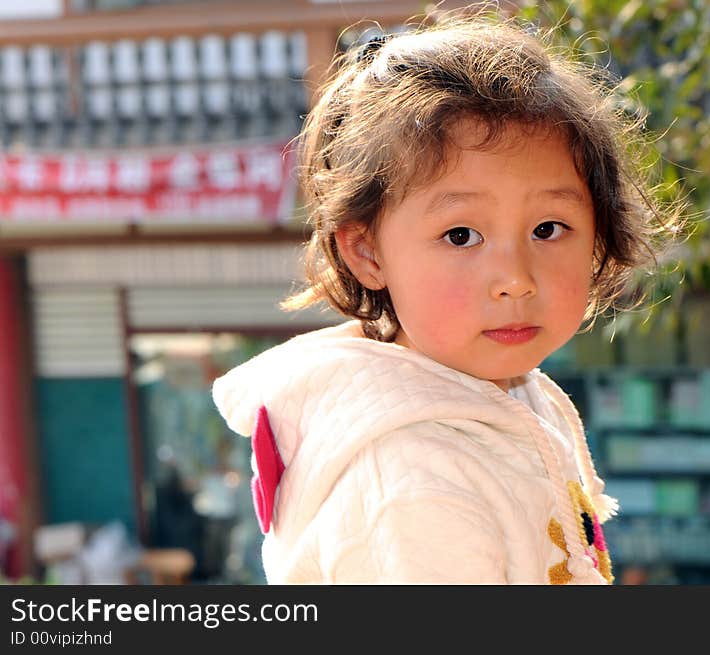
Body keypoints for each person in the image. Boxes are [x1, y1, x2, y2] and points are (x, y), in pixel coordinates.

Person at [212, 8, 682, 584]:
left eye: (548, 229)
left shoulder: (513, 395)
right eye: (461, 236)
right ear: (368, 253)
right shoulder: (413, 480)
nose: (515, 277)